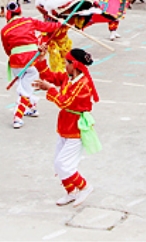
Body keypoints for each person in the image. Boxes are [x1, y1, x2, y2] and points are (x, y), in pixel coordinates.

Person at [32, 47, 100, 208]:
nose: (64, 65)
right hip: (64, 125)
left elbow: (64, 102)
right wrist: (42, 58)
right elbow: (49, 76)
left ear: (74, 64)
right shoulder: (68, 78)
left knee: (64, 164)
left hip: (76, 128)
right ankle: (71, 192)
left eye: (66, 63)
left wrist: (49, 89)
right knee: (58, 162)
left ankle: (85, 187)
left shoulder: (83, 85)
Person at [1, 2, 61, 129]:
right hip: (31, 59)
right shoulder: (29, 21)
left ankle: (32, 108)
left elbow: (7, 50)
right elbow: (47, 27)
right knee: (26, 88)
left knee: (25, 84)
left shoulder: (5, 30)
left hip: (15, 62)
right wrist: (61, 24)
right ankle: (17, 116)